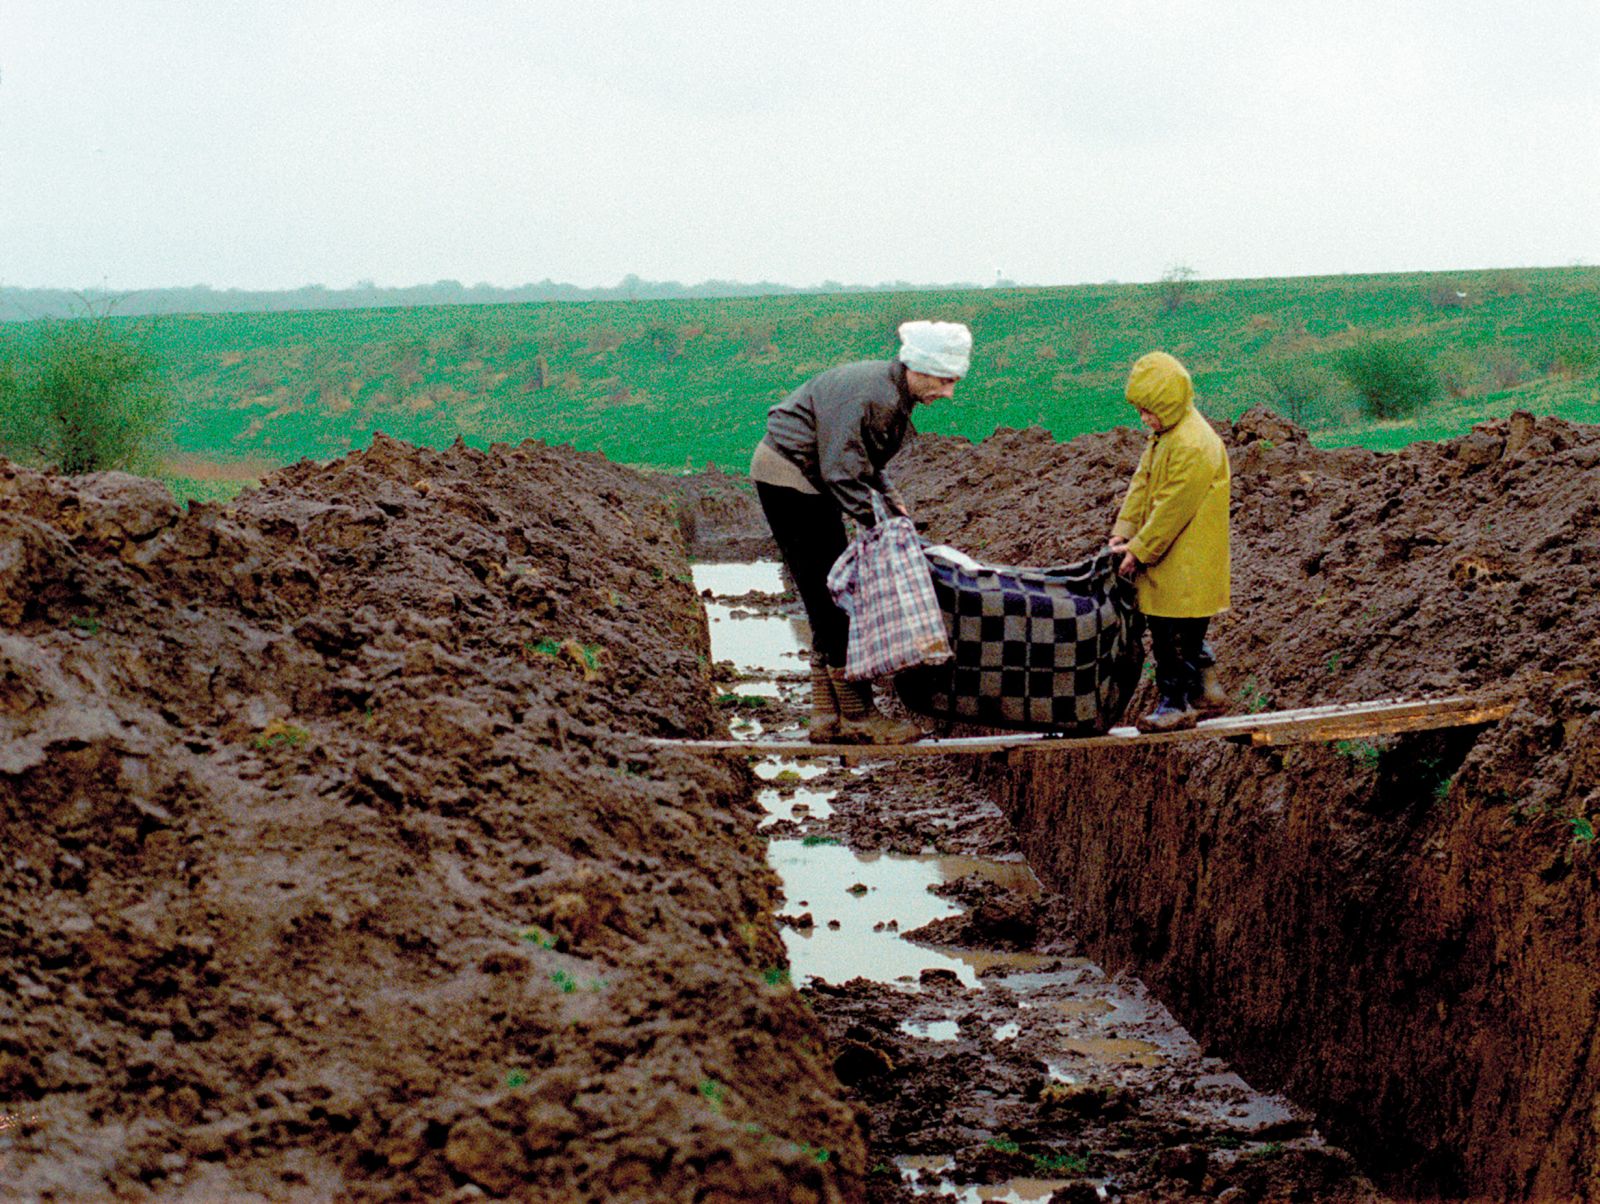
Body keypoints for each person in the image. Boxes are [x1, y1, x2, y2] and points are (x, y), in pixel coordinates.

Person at [750, 320, 972, 744]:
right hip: (792, 478)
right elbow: (840, 471)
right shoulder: (875, 393)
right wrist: (879, 524)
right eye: (945, 381)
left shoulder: (891, 391)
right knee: (831, 595)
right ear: (920, 368)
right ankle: (858, 716)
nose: (948, 394)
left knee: (821, 594)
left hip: (802, 475)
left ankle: (825, 715)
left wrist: (891, 500)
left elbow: (868, 460)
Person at [1108, 351, 1231, 733]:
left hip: (1187, 560)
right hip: (1170, 557)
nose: (1144, 419)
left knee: (1173, 639)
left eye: (1149, 411)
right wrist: (1124, 530)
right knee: (1174, 634)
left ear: (1169, 402)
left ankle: (1174, 704)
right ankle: (1205, 690)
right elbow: (1142, 484)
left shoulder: (1193, 444)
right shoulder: (1166, 435)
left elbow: (1171, 509)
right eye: (1140, 411)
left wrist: (1139, 551)